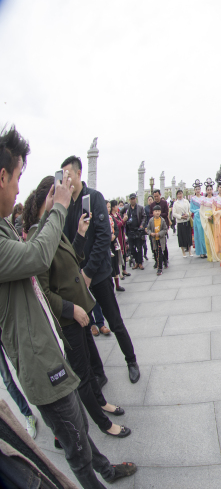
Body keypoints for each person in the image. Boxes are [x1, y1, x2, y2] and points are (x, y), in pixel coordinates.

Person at [0, 126, 136, 488]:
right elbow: (37, 259)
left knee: (76, 427)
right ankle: (100, 473)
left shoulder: (7, 228)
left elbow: (52, 258)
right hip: (39, 359)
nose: (17, 189)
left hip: (49, 349)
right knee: (75, 444)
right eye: (16, 178)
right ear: (2, 176)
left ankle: (106, 470)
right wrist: (59, 206)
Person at [25, 177, 130, 440]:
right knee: (82, 375)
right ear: (47, 198)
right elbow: (42, 291)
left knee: (92, 366)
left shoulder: (51, 228)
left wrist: (81, 234)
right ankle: (104, 423)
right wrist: (70, 309)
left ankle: (101, 402)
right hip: (69, 318)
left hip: (80, 312)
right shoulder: (39, 235)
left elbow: (68, 261)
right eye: (57, 194)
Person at [60, 156, 140, 384]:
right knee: (85, 326)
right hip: (77, 279)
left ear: (78, 174)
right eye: (62, 175)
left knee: (114, 321)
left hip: (99, 274)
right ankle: (98, 373)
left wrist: (88, 272)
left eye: (68, 174)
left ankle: (131, 360)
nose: (65, 179)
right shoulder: (66, 205)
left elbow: (103, 237)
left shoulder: (94, 198)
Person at [123, 193, 146, 270]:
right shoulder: (126, 208)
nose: (132, 200)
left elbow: (144, 217)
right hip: (130, 231)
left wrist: (141, 225)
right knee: (132, 248)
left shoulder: (140, 208)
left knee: (139, 247)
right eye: (131, 199)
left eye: (134, 199)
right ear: (129, 200)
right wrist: (124, 218)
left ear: (135, 199)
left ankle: (140, 263)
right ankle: (136, 261)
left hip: (138, 230)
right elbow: (119, 213)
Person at [105, 201, 125, 292]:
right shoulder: (101, 219)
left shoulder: (111, 218)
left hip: (114, 244)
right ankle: (110, 287)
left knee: (116, 263)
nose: (108, 209)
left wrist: (114, 235)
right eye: (107, 207)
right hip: (106, 244)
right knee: (109, 266)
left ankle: (117, 285)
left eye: (109, 207)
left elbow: (116, 229)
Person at [149, 189, 170, 268]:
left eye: (157, 196)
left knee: (163, 244)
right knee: (154, 246)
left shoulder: (164, 203)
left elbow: (166, 213)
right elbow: (150, 214)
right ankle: (157, 261)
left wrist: (159, 215)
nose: (156, 198)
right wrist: (155, 215)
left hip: (162, 225)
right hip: (154, 226)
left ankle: (165, 259)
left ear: (160, 195)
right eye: (154, 196)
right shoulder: (152, 204)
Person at [109, 200, 129, 282]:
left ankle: (124, 270)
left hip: (122, 235)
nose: (118, 207)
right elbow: (117, 225)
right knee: (118, 254)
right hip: (118, 237)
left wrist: (124, 220)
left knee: (124, 252)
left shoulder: (117, 214)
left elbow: (122, 224)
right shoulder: (111, 217)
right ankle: (119, 272)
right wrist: (123, 220)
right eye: (117, 205)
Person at [172, 189, 193, 258]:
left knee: (188, 236)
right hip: (180, 222)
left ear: (182, 194)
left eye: (181, 193)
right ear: (177, 195)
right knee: (181, 237)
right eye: (178, 194)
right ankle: (183, 252)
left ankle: (190, 250)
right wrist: (180, 217)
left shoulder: (186, 201)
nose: (180, 195)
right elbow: (174, 213)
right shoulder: (175, 203)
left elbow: (190, 210)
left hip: (186, 221)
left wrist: (187, 214)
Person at [146, 205, 167, 275]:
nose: (157, 212)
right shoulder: (151, 220)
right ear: (153, 212)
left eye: (158, 211)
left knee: (160, 253)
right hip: (154, 239)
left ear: (160, 212)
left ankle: (160, 268)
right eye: (156, 211)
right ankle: (165, 260)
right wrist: (150, 233)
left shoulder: (162, 220)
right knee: (156, 252)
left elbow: (165, 229)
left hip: (161, 239)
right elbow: (148, 229)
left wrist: (160, 233)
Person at [190, 180, 207, 258]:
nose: (197, 190)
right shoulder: (193, 199)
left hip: (203, 217)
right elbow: (191, 209)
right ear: (194, 190)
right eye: (196, 189)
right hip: (197, 218)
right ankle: (200, 251)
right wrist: (198, 211)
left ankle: (206, 251)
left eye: (198, 189)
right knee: (199, 234)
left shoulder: (203, 198)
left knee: (204, 234)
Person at [212, 178, 221, 263]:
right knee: (220, 237)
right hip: (219, 220)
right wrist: (220, 213)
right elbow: (213, 211)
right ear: (218, 188)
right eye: (220, 187)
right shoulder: (215, 199)